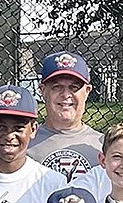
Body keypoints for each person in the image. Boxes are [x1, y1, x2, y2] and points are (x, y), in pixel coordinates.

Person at [27, 51, 103, 181]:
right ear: (42, 91)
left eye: (74, 87)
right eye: (57, 87)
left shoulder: (103, 145)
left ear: (87, 91)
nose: (66, 94)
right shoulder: (24, 143)